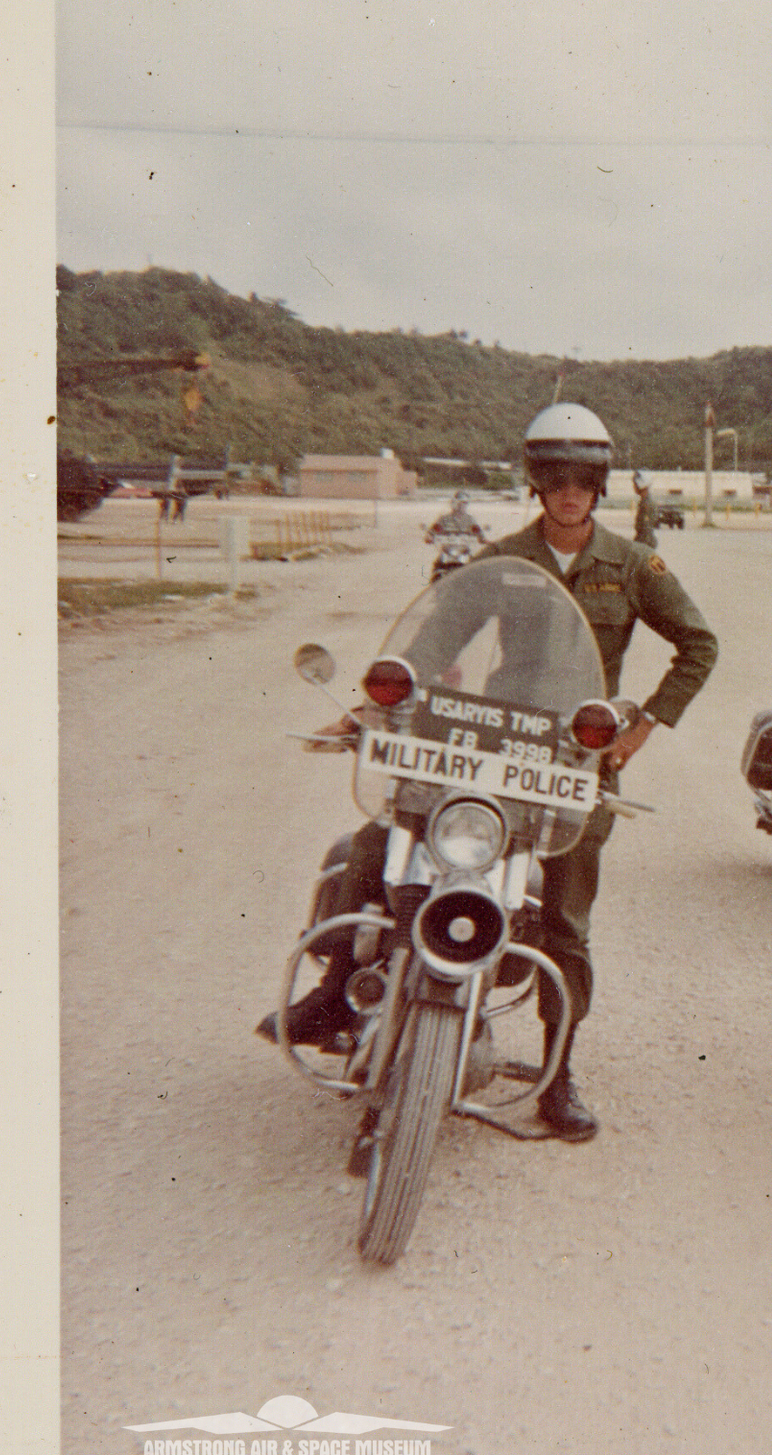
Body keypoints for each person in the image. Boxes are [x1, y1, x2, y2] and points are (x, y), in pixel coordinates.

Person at [257, 403, 718, 1144]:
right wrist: (368, 710)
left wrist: (639, 731)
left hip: (571, 757)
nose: (570, 492)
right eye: (555, 478)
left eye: (584, 479)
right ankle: (338, 994)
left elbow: (699, 644)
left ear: (601, 487)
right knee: (385, 842)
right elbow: (435, 635)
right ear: (536, 483)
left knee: (564, 922)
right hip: (490, 740)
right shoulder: (502, 560)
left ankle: (558, 1073)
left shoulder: (633, 567)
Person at [422, 489, 487, 578]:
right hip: (447, 551)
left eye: (465, 503)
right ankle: (435, 586)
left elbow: (478, 532)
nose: (462, 506)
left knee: (476, 572)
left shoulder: (470, 520)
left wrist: (482, 538)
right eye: (459, 503)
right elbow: (432, 531)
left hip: (464, 551)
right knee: (436, 569)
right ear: (453, 503)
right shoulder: (444, 519)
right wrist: (429, 537)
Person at [631, 469, 658, 547]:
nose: (634, 486)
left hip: (645, 544)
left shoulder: (647, 504)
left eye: (635, 484)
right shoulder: (644, 502)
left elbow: (646, 531)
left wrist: (638, 548)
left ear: (641, 484)